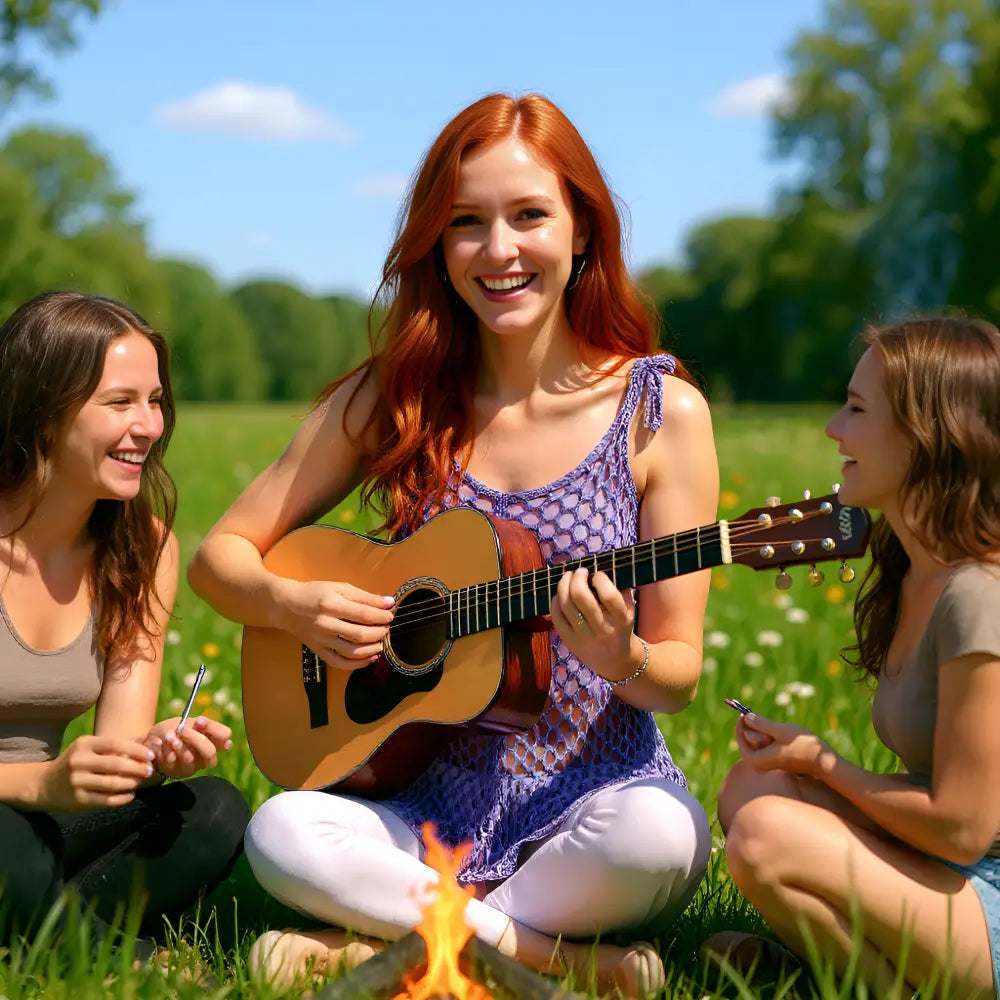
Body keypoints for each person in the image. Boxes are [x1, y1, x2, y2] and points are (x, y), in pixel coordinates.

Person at [188, 92, 718, 998]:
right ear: (436, 244)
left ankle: (394, 944)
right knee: (280, 832)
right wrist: (292, 604)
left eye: (529, 215)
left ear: (582, 230)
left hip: (594, 800)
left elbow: (676, 673)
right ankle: (551, 961)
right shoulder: (396, 397)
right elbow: (220, 556)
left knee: (663, 839)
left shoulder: (659, 413)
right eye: (467, 222)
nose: (499, 249)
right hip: (416, 800)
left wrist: (620, 655)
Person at [703, 317, 1000, 1000]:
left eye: (858, 411)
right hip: (953, 870)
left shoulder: (979, 594)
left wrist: (824, 765)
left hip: (989, 897)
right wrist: (807, 765)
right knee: (752, 789)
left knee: (766, 836)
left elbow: (961, 828)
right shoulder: (914, 571)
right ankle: (839, 973)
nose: (834, 428)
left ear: (929, 436)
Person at [0, 290, 250, 958]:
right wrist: (41, 783)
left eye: (155, 400)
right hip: (14, 818)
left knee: (213, 810)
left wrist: (152, 755)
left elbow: (116, 747)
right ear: (44, 410)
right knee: (8, 846)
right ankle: (124, 960)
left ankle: (38, 926)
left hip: (47, 819)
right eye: (120, 402)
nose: (148, 426)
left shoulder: (144, 546)